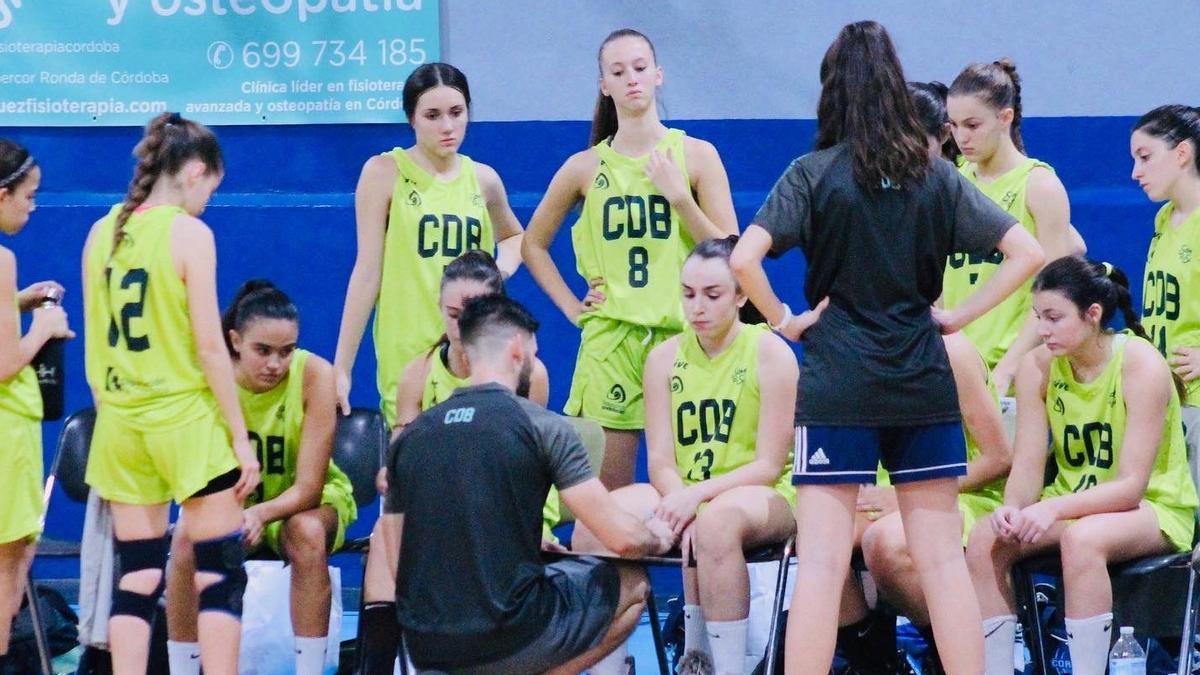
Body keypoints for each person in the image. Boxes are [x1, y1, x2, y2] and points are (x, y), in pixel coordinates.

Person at [729, 21, 1043, 674]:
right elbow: (1027, 251)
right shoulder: (935, 174)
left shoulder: (813, 173)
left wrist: (786, 319)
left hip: (838, 383)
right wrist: (956, 314)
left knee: (817, 564)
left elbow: (743, 257)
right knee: (941, 562)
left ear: (832, 89)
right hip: (921, 379)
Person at [388, 294, 673, 674]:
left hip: (423, 643)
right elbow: (621, 539)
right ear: (518, 350)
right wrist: (656, 537)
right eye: (535, 354)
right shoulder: (543, 427)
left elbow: (396, 555)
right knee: (632, 582)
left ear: (469, 354)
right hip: (511, 637)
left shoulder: (410, 436)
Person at [81, 112, 260, 675]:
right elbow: (211, 347)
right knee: (219, 571)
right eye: (212, 187)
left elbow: (92, 350)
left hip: (119, 424)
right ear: (195, 172)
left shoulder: (102, 230)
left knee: (136, 575)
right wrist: (239, 437)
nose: (210, 200)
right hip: (183, 421)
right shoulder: (189, 234)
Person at [522, 28, 738, 488]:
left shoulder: (697, 155)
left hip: (686, 337)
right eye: (617, 71)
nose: (631, 79)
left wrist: (681, 199)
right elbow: (532, 244)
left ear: (658, 75)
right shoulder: (585, 167)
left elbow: (730, 253)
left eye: (640, 68)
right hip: (611, 342)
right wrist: (570, 306)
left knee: (696, 496)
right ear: (604, 85)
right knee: (606, 501)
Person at [573, 236, 797, 675]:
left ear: (741, 295)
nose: (698, 307)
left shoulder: (770, 352)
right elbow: (659, 460)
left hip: (763, 494)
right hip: (687, 492)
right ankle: (614, 664)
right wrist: (683, 502)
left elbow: (769, 466)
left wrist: (696, 502)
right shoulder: (662, 358)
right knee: (593, 525)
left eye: (712, 295)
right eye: (688, 294)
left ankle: (725, 668)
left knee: (716, 523)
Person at [966, 256, 1198, 675]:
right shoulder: (1036, 367)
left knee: (1082, 540)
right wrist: (1013, 507)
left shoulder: (1140, 363)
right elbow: (1028, 467)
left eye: (1054, 317)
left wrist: (1051, 509)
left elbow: (1130, 486)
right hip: (1072, 505)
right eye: (1037, 317)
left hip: (1152, 508)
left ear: (1093, 315)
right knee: (986, 537)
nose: (1042, 329)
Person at [355, 251, 554, 674]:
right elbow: (400, 465)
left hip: (501, 510)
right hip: (435, 513)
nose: (462, 324)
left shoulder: (530, 376)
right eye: (452, 312)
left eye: (475, 312)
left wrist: (538, 524)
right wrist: (391, 473)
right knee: (382, 533)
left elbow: (538, 470)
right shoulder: (419, 373)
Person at [165, 280, 355, 675]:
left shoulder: (315, 375)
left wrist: (260, 514)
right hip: (231, 504)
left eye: (286, 351)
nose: (276, 364)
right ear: (235, 341)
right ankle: (183, 668)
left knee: (306, 533)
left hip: (303, 504)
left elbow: (309, 488)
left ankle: (310, 670)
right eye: (263, 351)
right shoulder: (206, 379)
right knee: (185, 539)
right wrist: (233, 514)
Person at [333, 62, 524, 428]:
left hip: (475, 349)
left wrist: (499, 272)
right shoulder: (383, 172)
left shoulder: (483, 179)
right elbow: (367, 271)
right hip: (409, 351)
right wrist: (342, 365)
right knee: (412, 468)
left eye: (456, 113)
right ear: (412, 119)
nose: (447, 126)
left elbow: (515, 237)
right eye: (432, 115)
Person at [852, 331, 1011, 672]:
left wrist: (905, 495)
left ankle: (953, 656)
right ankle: (868, 657)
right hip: (888, 492)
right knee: (821, 536)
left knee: (886, 543)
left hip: (963, 493)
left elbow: (998, 458)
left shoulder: (950, 351)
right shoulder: (859, 346)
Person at [945, 59, 1078, 395]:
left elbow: (1055, 296)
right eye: (954, 126)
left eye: (973, 125)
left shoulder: (1038, 185)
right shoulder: (951, 180)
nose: (962, 137)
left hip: (1013, 369)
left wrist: (1010, 368)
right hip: (953, 362)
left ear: (1005, 117)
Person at [0, 141, 73, 669]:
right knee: (9, 561)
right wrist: (42, 325)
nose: (33, 207)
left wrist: (16, 301)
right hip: (6, 430)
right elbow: (5, 364)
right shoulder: (1, 258)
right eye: (28, 196)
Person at [1131, 105, 1200, 483]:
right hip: (1170, 398)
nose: (1135, 172)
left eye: (1145, 157)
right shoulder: (1164, 218)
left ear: (1182, 153)